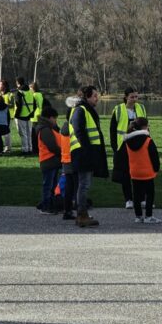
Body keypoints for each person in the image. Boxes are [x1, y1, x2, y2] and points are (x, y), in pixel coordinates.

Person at [68, 85, 108, 227]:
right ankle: (82, 214)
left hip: (84, 152)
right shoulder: (81, 110)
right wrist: (87, 149)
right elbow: (79, 130)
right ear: (87, 97)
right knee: (83, 185)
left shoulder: (83, 109)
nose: (97, 98)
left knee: (83, 184)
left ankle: (82, 214)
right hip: (82, 153)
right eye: (95, 95)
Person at [110, 87, 148, 208]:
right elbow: (112, 129)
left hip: (139, 144)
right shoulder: (118, 109)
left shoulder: (141, 108)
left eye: (136, 96)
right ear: (126, 97)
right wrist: (115, 146)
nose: (134, 99)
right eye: (132, 97)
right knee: (125, 173)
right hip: (123, 145)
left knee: (139, 172)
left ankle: (142, 198)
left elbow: (146, 125)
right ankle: (128, 199)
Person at [123, 117, 161, 223]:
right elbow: (154, 157)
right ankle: (149, 216)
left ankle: (138, 216)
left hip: (134, 171)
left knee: (136, 195)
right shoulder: (148, 140)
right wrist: (156, 168)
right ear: (144, 127)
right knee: (149, 194)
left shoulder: (128, 141)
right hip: (147, 171)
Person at [35, 106, 62, 214]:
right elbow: (51, 146)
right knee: (48, 185)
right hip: (49, 160)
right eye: (55, 118)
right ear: (50, 118)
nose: (56, 121)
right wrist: (61, 153)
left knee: (52, 185)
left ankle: (48, 204)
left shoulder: (46, 128)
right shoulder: (45, 130)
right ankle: (45, 206)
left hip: (51, 161)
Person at [13, 76, 34, 154]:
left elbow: (19, 105)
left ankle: (25, 150)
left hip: (21, 116)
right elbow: (34, 104)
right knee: (29, 133)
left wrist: (16, 115)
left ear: (18, 83)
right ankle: (30, 149)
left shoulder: (19, 93)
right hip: (29, 115)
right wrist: (31, 113)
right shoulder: (30, 92)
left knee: (23, 134)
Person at [29, 81, 45, 155]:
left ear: (33, 88)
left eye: (30, 88)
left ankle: (35, 150)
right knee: (39, 133)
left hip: (35, 115)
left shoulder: (34, 95)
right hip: (40, 114)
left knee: (34, 134)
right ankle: (40, 148)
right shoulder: (40, 94)